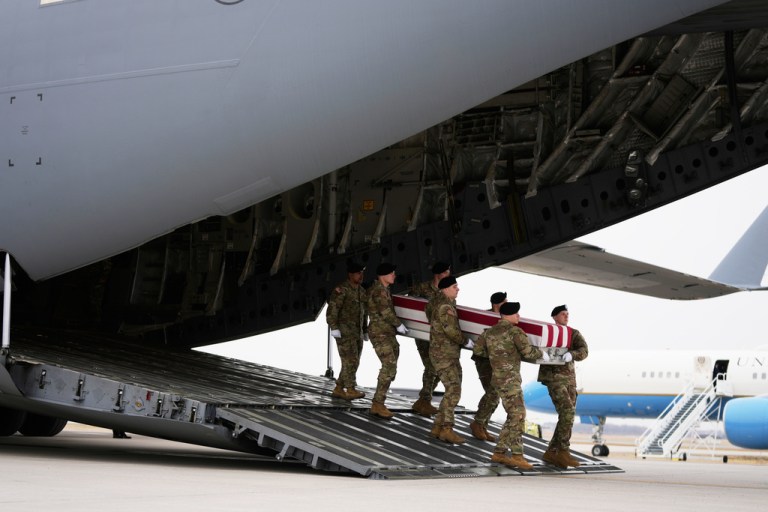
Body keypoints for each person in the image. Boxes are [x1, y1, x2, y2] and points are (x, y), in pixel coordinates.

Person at [476, 301, 549, 470]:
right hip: (510, 380)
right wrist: (543, 354)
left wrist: (497, 356)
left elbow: (479, 351)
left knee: (514, 415)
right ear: (508, 315)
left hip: (497, 379)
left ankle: (502, 452)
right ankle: (515, 455)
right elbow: (528, 352)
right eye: (516, 313)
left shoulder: (489, 332)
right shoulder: (515, 332)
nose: (519, 316)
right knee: (518, 415)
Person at [538, 304, 589, 469]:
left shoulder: (572, 333)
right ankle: (563, 451)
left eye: (567, 314)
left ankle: (553, 452)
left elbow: (584, 350)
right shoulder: (547, 332)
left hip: (569, 380)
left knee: (568, 415)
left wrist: (572, 354)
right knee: (567, 412)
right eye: (562, 314)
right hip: (554, 378)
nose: (566, 316)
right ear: (554, 317)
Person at [427, 275, 467, 444]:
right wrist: (465, 341)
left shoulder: (444, 304)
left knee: (453, 388)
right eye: (454, 286)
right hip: (443, 354)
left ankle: (438, 426)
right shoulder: (445, 307)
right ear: (444, 289)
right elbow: (451, 330)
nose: (457, 289)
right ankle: (447, 429)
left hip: (448, 353)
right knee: (454, 389)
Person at [407, 261, 451, 417]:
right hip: (423, 335)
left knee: (438, 370)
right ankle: (424, 401)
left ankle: (423, 400)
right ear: (438, 274)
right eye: (446, 272)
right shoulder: (422, 288)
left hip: (438, 337)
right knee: (431, 366)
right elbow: (410, 305)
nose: (448, 275)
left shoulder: (447, 290)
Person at [366, 262, 408, 419]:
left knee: (391, 366)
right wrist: (399, 325)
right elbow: (386, 312)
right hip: (380, 332)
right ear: (383, 275)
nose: (394, 275)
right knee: (389, 365)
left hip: (387, 332)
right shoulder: (379, 292)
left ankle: (379, 402)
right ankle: (377, 403)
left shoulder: (384, 290)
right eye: (392, 273)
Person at [325, 260, 367, 401]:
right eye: (358, 273)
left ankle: (339, 388)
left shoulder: (361, 291)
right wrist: (334, 327)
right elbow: (332, 310)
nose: (360, 276)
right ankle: (350, 389)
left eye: (362, 273)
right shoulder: (341, 290)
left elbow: (363, 313)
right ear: (350, 275)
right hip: (344, 332)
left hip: (357, 333)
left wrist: (365, 330)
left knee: (353, 361)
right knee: (350, 360)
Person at [468, 291, 506, 442]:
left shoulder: (504, 318)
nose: (507, 303)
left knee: (494, 395)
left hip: (497, 361)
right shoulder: (484, 318)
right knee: (492, 392)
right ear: (496, 304)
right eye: (504, 302)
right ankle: (478, 423)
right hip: (484, 360)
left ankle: (482, 425)